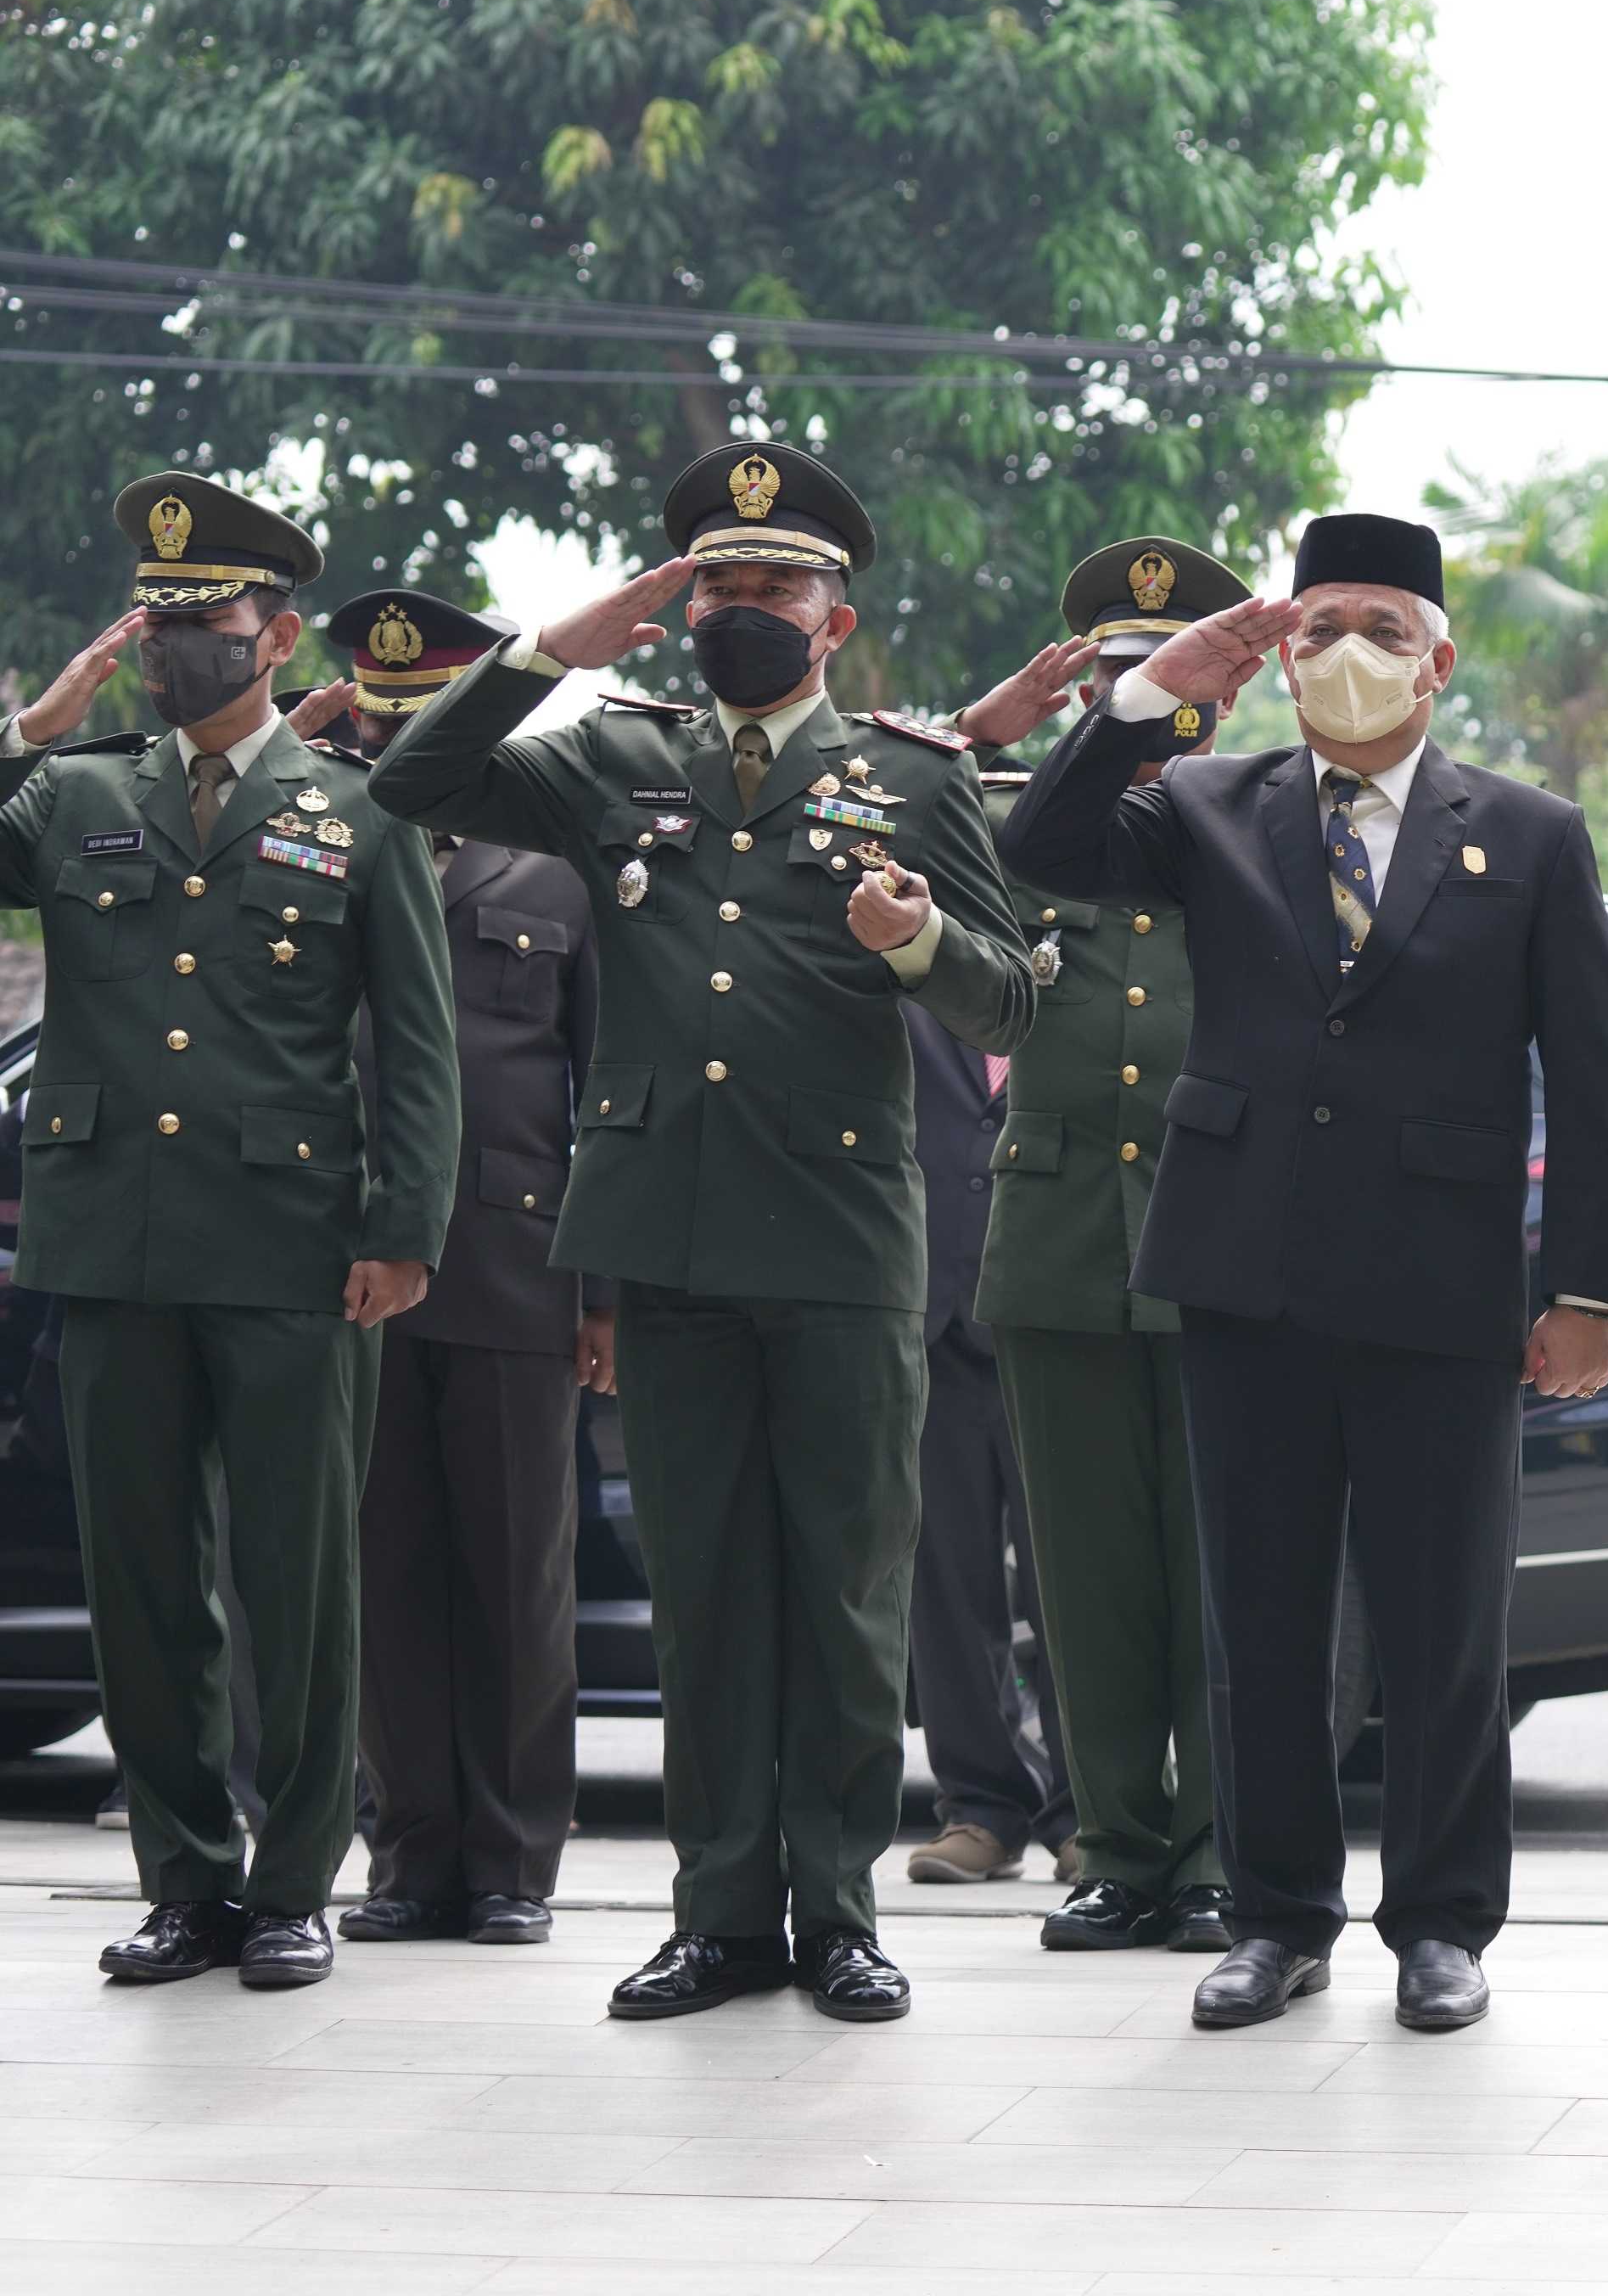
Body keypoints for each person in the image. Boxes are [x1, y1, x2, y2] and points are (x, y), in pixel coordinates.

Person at [368, 440, 1038, 2025]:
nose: (747, 607)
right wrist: (547, 652)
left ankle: (840, 1908)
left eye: (776, 587)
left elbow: (1011, 991)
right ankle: (720, 1912)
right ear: (681, 611)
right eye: (720, 585)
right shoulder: (610, 750)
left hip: (839, 1235)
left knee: (847, 1589)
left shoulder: (922, 777)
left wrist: (918, 935)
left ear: (838, 619)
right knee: (708, 1589)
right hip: (664, 1237)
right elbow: (408, 782)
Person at [998, 511, 1608, 2035]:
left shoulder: (1529, 830)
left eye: (1386, 627)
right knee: (1263, 1615)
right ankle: (1275, 1913)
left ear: (1440, 654)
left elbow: (1595, 1071)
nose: (1353, 654)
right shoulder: (1211, 797)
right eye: (1324, 622)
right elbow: (1044, 847)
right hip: (1245, 1262)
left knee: (1440, 1619)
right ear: (1283, 650)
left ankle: (1440, 1920)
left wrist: (1587, 1290)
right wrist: (1151, 688)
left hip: (1441, 1274)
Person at [0, 479, 457, 1991]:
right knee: (141, 1580)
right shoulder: (74, 794)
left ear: (279, 633)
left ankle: (292, 1885)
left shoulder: (360, 805)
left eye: (210, 621)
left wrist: (404, 1227)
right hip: (114, 1246)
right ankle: (184, 1879)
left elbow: (420, 1044)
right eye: (165, 621)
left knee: (298, 1578)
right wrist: (32, 722)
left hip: (294, 1247)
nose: (183, 643)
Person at [945, 537, 1249, 1958]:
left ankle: (1209, 1854)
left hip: (1210, 1248)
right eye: (1122, 679)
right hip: (1060, 1241)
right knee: (1083, 1579)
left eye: (1172, 674)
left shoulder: (1257, 828)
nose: (1148, 700)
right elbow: (901, 838)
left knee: (1210, 1574)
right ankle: (1116, 1848)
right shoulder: (1033, 834)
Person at [299, 591, 608, 1951]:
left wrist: (602, 1290)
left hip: (512, 1257)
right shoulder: (312, 845)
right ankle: (411, 1851)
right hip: (344, 1255)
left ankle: (511, 1861)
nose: (394, 734)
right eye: (378, 716)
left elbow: (601, 1083)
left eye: (423, 713)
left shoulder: (556, 864)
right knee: (384, 1568)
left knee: (514, 1569)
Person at [895, 994, 1077, 1888]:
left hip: (1059, 1307)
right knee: (946, 1584)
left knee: (1075, 1583)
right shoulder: (909, 961)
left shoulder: (1079, 952)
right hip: (932, 1317)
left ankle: (1094, 1810)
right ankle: (980, 1806)